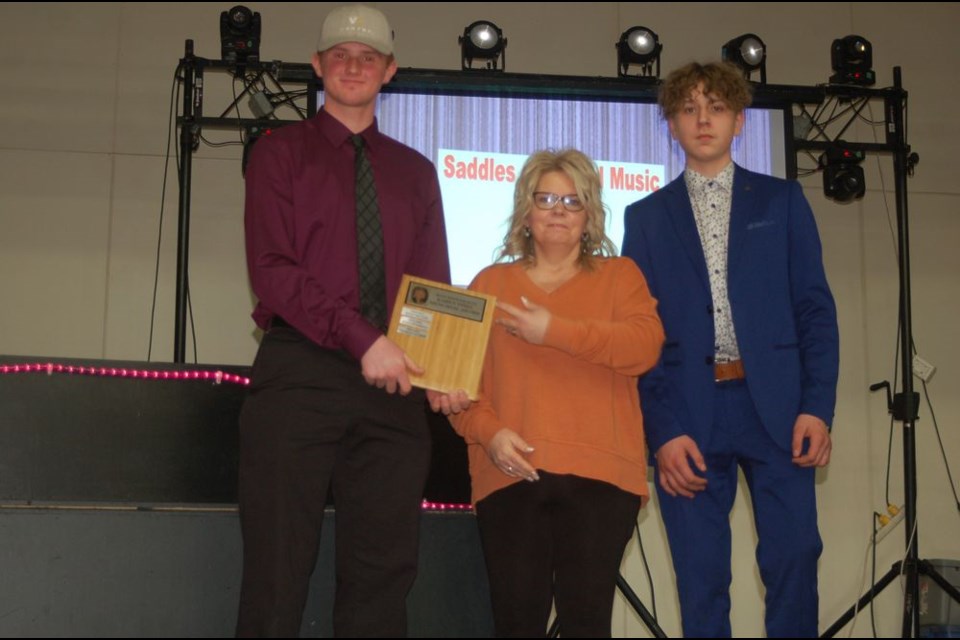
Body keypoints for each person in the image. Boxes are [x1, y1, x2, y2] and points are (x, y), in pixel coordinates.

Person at [237, 5, 454, 637]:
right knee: (277, 572)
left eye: (367, 58)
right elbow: (273, 270)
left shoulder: (416, 172)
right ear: (318, 66)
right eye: (340, 56)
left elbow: (431, 289)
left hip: (393, 388)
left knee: (383, 578)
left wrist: (440, 367)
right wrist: (364, 339)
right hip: (298, 372)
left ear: (389, 71)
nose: (352, 66)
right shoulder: (278, 154)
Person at [621, 61, 839, 638]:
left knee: (794, 557)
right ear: (671, 124)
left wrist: (817, 406)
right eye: (688, 109)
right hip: (690, 415)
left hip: (779, 410)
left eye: (715, 107)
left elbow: (815, 311)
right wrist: (662, 431)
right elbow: (639, 334)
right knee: (701, 576)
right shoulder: (643, 218)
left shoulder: (782, 201)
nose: (702, 119)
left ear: (739, 121)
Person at [448, 149, 665, 637]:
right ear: (526, 211)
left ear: (590, 216)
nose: (559, 210)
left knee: (588, 624)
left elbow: (644, 348)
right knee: (515, 624)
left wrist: (554, 331)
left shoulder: (621, 275)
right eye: (545, 198)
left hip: (601, 480)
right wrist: (491, 434)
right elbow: (456, 390)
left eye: (573, 201)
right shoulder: (487, 283)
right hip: (508, 475)